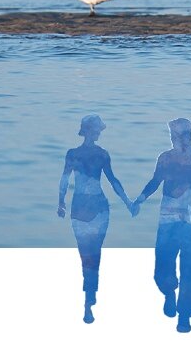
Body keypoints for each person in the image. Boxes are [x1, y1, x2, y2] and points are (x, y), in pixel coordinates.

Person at [131, 118, 191, 333]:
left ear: (184, 136)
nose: (172, 139)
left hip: (183, 221)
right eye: (171, 136)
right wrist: (140, 200)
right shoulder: (172, 159)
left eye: (173, 135)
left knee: (185, 267)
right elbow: (155, 182)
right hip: (177, 219)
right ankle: (172, 296)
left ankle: (183, 314)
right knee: (173, 265)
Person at [56, 114, 136, 324]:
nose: (100, 132)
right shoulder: (95, 154)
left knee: (88, 253)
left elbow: (66, 180)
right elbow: (112, 180)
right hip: (93, 207)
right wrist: (60, 202)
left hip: (86, 207)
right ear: (90, 131)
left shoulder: (77, 154)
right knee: (90, 254)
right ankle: (89, 296)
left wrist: (61, 202)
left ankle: (89, 297)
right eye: (97, 129)